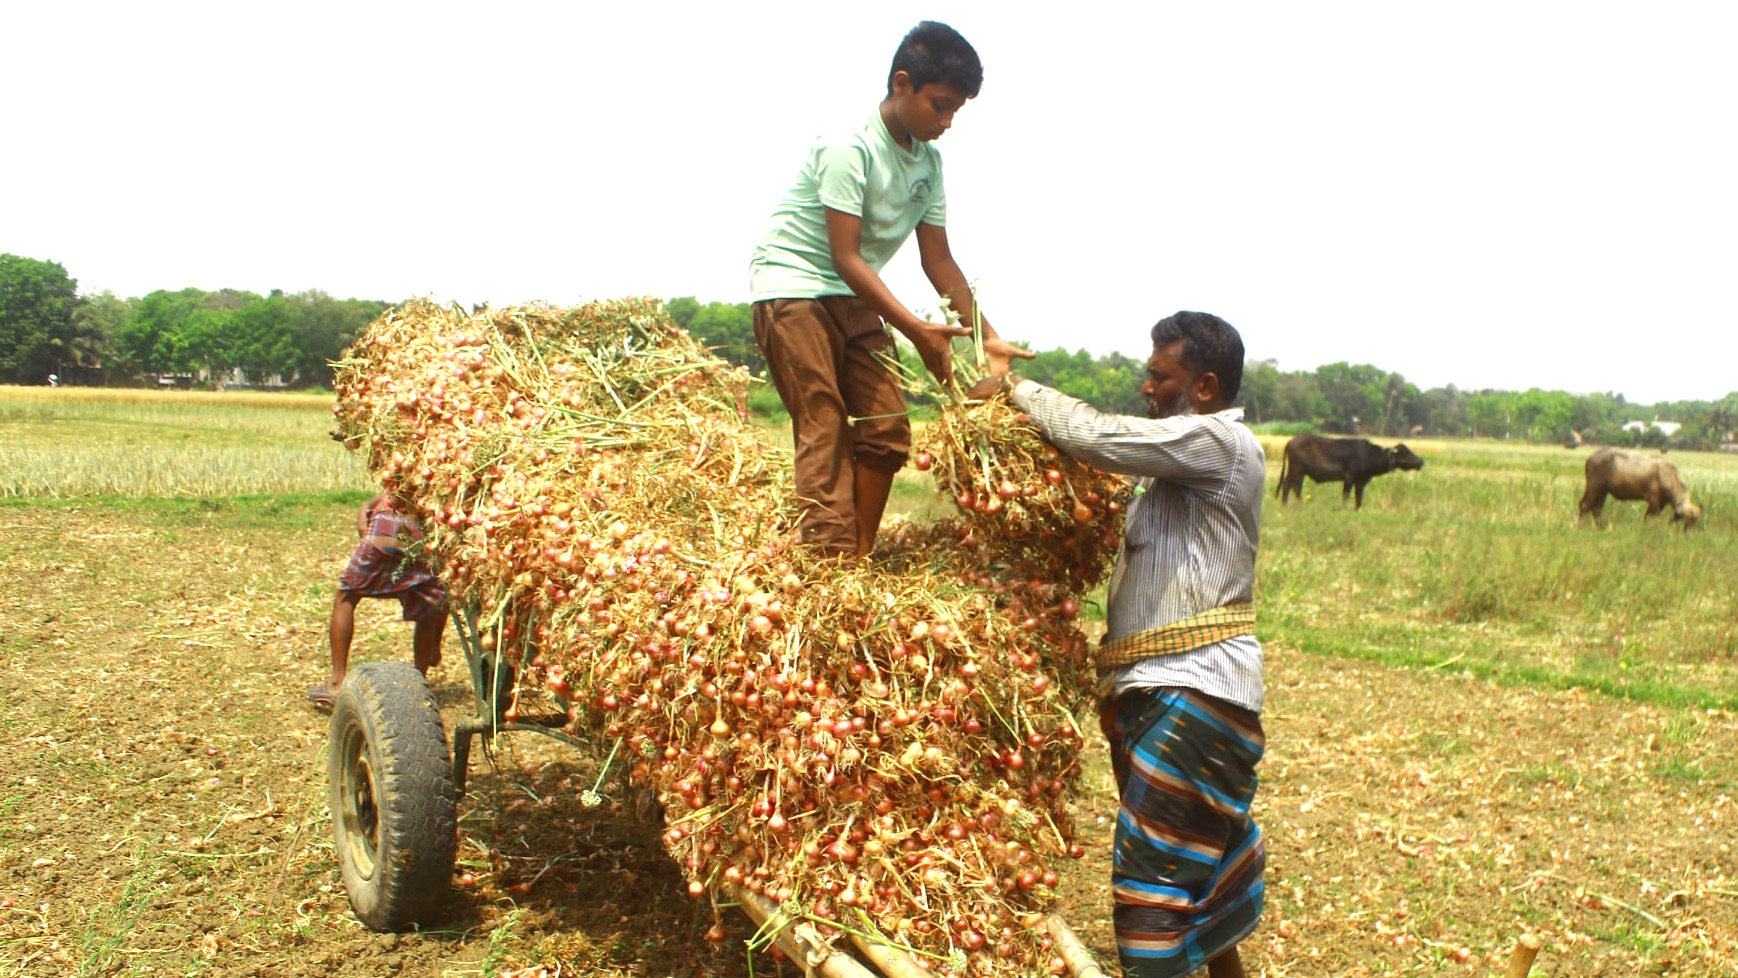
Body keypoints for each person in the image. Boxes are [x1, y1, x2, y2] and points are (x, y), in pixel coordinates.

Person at [971, 311, 1266, 978]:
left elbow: (1101, 437)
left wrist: (1018, 391)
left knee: (1153, 886)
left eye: (1160, 377)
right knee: (1198, 869)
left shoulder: (1219, 443)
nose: (1146, 388)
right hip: (1157, 689)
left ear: (1206, 387)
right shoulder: (1164, 481)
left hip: (1193, 689)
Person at [747, 20, 1032, 558]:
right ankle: (827, 567)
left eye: (956, 112)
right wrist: (918, 330)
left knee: (886, 430)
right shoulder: (847, 146)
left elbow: (940, 261)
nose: (947, 122)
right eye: (940, 106)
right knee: (824, 421)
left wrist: (985, 336)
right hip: (792, 288)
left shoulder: (928, 164)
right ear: (902, 83)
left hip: (852, 296)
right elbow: (845, 256)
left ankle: (855, 556)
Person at [307, 492, 447, 710]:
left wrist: (365, 511)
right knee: (428, 605)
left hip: (387, 526)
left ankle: (337, 682)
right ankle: (420, 685)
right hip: (424, 533)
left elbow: (389, 494)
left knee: (346, 596)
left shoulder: (401, 466)